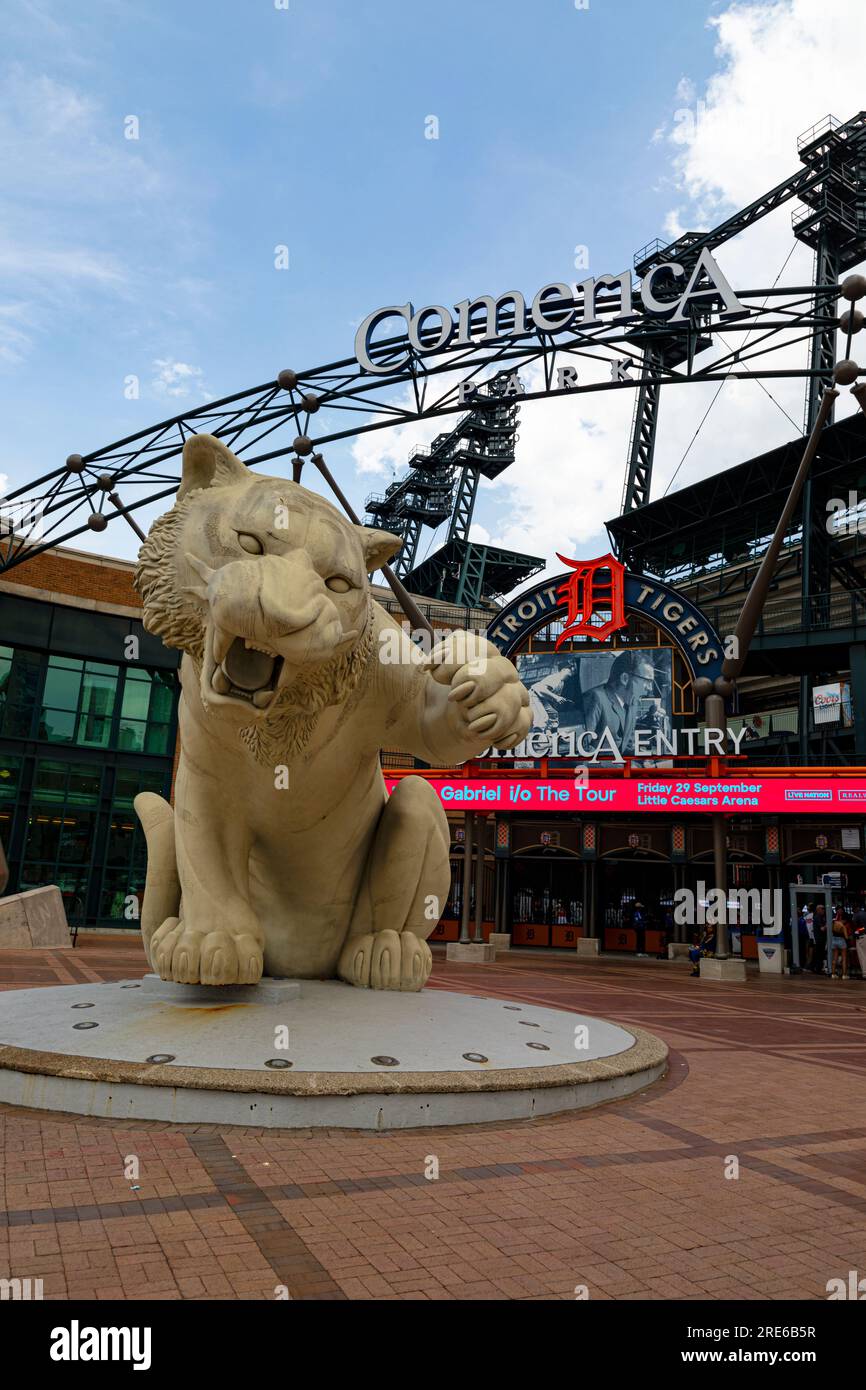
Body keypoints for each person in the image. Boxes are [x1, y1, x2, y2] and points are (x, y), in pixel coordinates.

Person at [582, 652, 655, 754]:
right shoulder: (595, 698)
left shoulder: (632, 702)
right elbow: (581, 749)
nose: (650, 688)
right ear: (625, 678)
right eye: (647, 681)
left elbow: (627, 746)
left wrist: (643, 758)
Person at [831, 911, 851, 980]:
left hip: (834, 940)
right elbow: (846, 937)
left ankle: (833, 974)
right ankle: (844, 975)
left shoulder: (834, 923)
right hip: (841, 941)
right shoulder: (843, 926)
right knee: (844, 958)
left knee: (834, 958)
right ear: (844, 920)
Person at [812, 903, 827, 974]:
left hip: (821, 939)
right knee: (819, 954)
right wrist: (829, 923)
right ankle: (818, 969)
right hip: (819, 939)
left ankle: (818, 968)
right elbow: (822, 929)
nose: (824, 910)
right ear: (818, 910)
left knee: (820, 954)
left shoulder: (822, 917)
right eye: (822, 909)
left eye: (824, 908)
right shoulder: (817, 917)